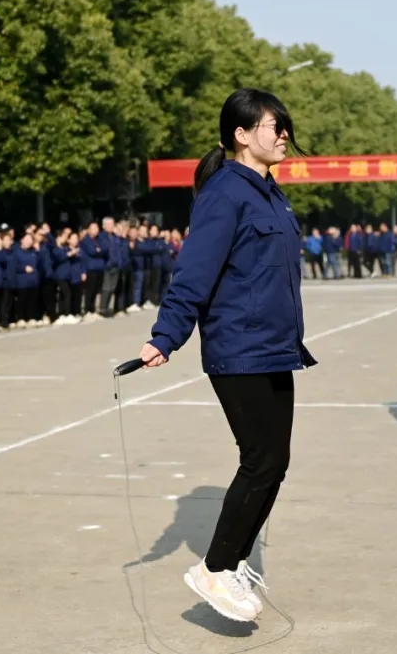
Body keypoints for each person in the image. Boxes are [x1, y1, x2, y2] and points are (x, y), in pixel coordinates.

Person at [137, 88, 315, 623]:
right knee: (260, 460)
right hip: (239, 346)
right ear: (241, 134)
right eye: (274, 126)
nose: (283, 135)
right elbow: (194, 269)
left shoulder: (271, 194)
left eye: (284, 126)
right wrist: (166, 335)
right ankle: (214, 568)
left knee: (275, 462)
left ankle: (230, 564)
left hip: (276, 347)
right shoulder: (224, 194)